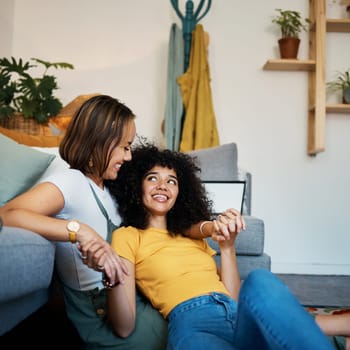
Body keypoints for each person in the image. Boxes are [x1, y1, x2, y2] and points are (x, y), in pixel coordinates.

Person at [0, 94, 241, 349]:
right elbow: (8, 214)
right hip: (104, 310)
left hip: (134, 296)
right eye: (125, 147)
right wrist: (78, 230)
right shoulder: (70, 182)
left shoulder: (107, 188)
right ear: (102, 142)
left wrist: (210, 227)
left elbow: (167, 223)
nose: (128, 157)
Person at [104, 143, 334, 350]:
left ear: (180, 193)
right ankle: (329, 326)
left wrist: (227, 247)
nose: (163, 186)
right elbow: (124, 327)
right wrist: (112, 276)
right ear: (136, 187)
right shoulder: (128, 236)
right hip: (193, 323)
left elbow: (232, 296)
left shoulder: (193, 236)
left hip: (237, 318)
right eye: (153, 178)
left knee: (259, 280)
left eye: (171, 181)